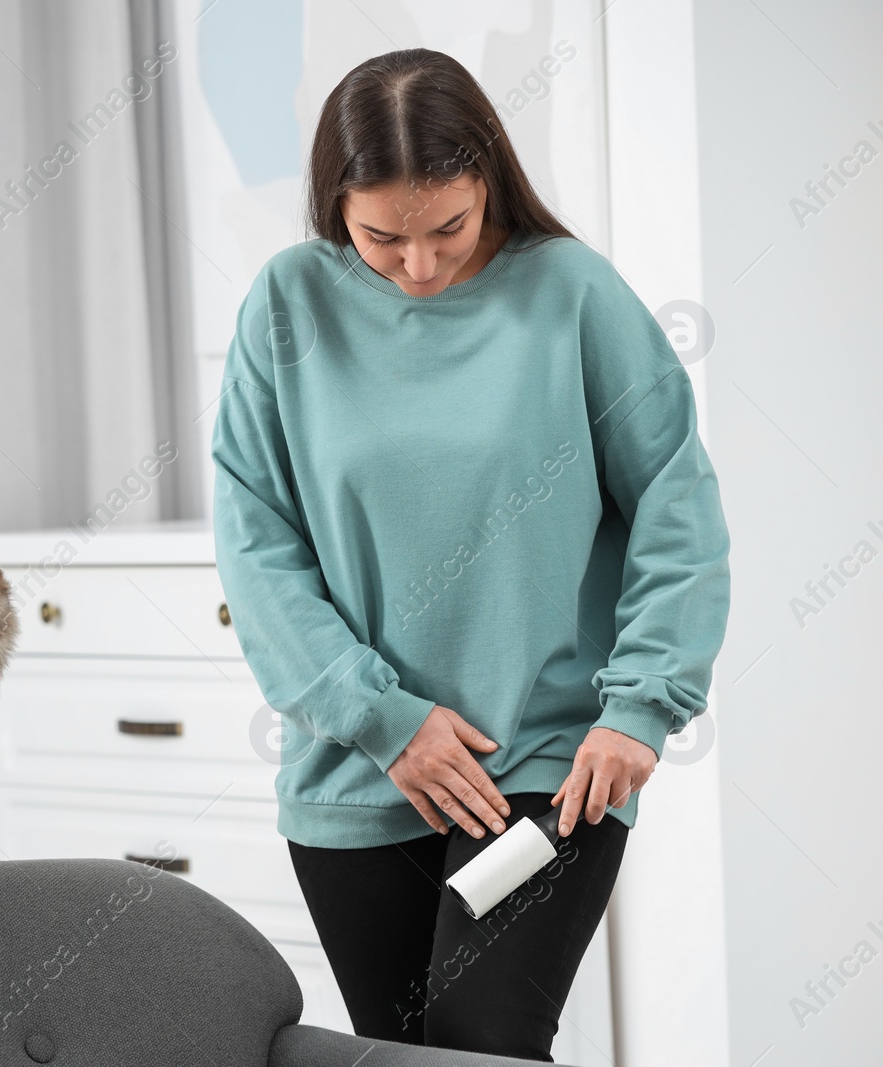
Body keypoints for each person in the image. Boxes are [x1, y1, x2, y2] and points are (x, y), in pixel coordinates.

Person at [210, 48, 730, 1061]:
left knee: (480, 1040)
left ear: (488, 182)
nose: (419, 266)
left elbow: (676, 496)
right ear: (333, 205)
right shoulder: (286, 305)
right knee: (399, 1052)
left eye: (447, 227)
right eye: (380, 237)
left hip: (545, 754)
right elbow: (255, 542)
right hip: (360, 762)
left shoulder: (570, 292)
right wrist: (380, 718)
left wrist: (642, 702)